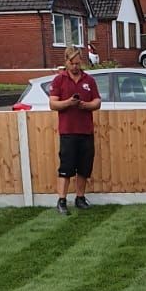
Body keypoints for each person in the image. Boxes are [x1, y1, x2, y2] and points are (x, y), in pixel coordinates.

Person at [48, 45, 101, 213]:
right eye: (73, 64)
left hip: (86, 131)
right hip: (68, 132)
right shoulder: (59, 80)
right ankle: (62, 201)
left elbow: (97, 102)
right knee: (66, 168)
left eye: (78, 63)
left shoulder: (89, 80)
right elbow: (53, 103)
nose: (76, 67)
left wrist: (85, 105)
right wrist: (68, 103)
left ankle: (80, 198)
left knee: (84, 168)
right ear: (67, 62)